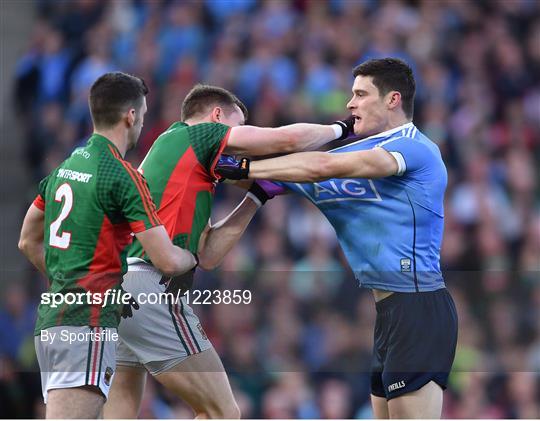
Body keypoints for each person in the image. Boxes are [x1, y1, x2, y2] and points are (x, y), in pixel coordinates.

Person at [216, 58, 458, 419]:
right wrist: (208, 157)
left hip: (420, 306)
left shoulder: (416, 148)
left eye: (360, 94)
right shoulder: (341, 156)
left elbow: (319, 167)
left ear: (393, 100)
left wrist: (246, 166)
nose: (350, 104)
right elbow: (273, 173)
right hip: (388, 313)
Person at [103, 84, 355, 419]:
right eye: (236, 131)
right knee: (224, 412)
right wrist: (341, 128)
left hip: (118, 293)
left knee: (121, 412)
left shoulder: (187, 172)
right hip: (151, 288)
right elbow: (285, 140)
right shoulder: (196, 134)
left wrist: (255, 197)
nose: (238, 149)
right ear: (216, 117)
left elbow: (208, 255)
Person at [18, 72, 197, 419]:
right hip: (87, 324)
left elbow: (27, 240)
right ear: (131, 115)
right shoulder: (122, 175)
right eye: (143, 115)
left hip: (54, 324)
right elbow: (167, 260)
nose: (142, 122)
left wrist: (65, 281)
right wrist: (193, 254)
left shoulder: (64, 169)